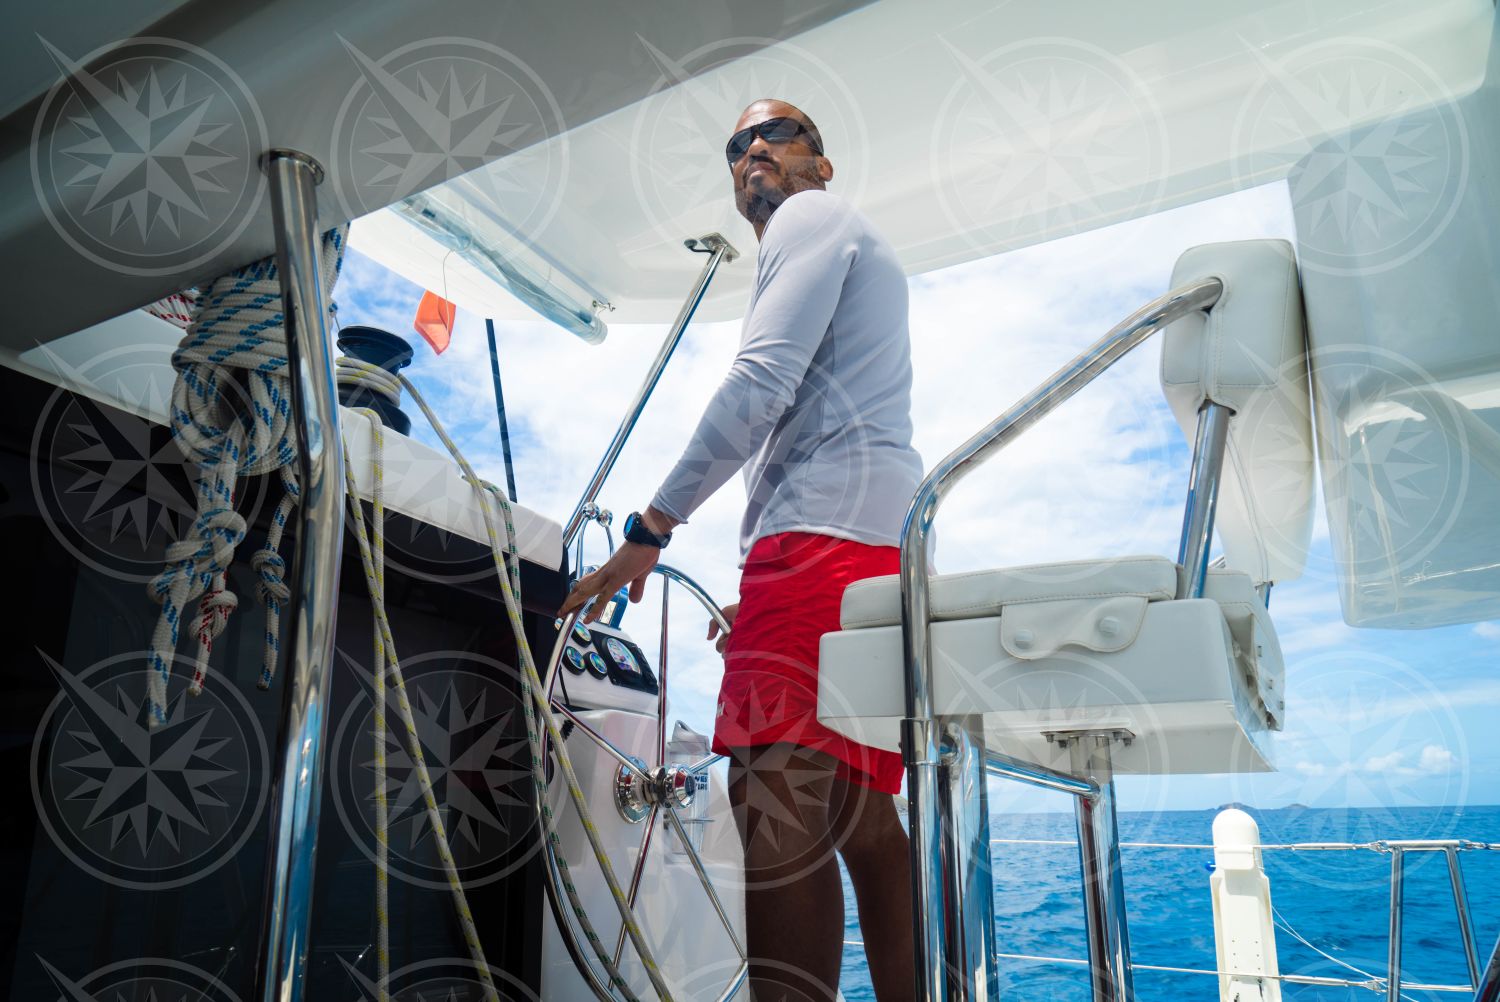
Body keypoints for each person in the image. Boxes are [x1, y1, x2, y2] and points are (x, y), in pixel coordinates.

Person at [560, 98, 921, 1002]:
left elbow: (759, 387)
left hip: (816, 556)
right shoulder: (836, 240)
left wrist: (651, 529)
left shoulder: (812, 215)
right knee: (865, 821)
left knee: (776, 799)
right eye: (737, 145)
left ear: (821, 164)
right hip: (867, 559)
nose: (754, 148)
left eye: (779, 133)